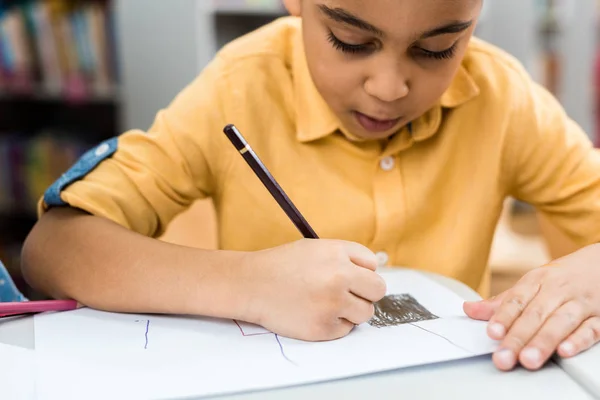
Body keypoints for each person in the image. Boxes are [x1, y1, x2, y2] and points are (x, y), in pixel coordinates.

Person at [20, 0, 600, 372]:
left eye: (437, 48)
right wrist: (248, 285)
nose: (389, 86)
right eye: (351, 41)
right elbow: (53, 249)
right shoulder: (239, 87)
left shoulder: (505, 98)